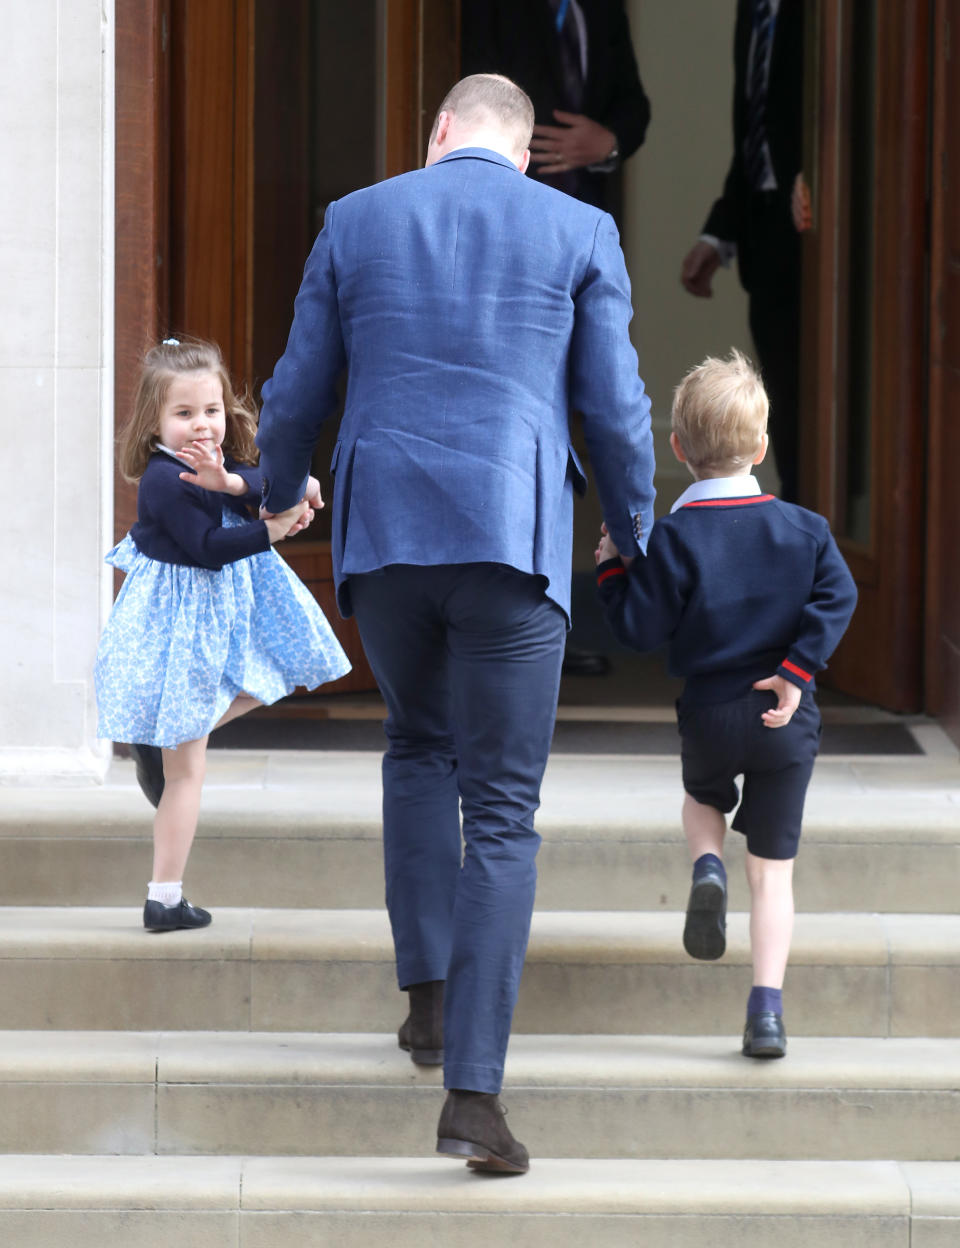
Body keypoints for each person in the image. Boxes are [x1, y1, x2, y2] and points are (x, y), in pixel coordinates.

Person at [256, 74, 656, 1172]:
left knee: (416, 746)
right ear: (523, 153)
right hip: (512, 540)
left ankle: (427, 1003)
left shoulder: (357, 217)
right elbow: (616, 405)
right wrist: (634, 527)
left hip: (384, 540)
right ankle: (473, 1094)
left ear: (438, 135)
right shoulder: (579, 226)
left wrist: (274, 496)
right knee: (507, 811)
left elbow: (296, 390)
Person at [595, 350, 856, 1057]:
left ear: (678, 449)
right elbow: (839, 597)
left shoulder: (674, 539)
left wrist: (614, 570)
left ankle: (705, 864)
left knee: (702, 798)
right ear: (763, 448)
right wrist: (797, 670)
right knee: (773, 876)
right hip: (784, 716)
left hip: (711, 713)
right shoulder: (806, 530)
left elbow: (640, 630)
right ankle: (765, 1012)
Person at [95, 337, 351, 932]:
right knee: (188, 772)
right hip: (178, 627)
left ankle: (171, 734)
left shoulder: (213, 461)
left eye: (210, 410)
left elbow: (255, 479)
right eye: (183, 414)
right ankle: (164, 897)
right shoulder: (163, 480)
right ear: (154, 420)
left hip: (215, 621)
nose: (200, 425)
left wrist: (271, 490)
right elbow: (209, 550)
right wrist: (276, 531)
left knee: (274, 676)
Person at [462, 0, 651, 677]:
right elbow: (469, 93)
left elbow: (633, 104)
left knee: (579, 419)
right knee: (513, 419)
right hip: (503, 241)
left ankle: (552, 616)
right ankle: (499, 616)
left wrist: (609, 142)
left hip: (586, 232)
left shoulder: (599, 8)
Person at [680, 0, 805, 503]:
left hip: (828, 235)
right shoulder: (752, 12)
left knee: (822, 409)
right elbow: (754, 138)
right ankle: (799, 514)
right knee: (789, 402)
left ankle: (816, 539)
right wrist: (718, 235)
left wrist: (820, 179)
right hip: (765, 238)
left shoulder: (825, 18)